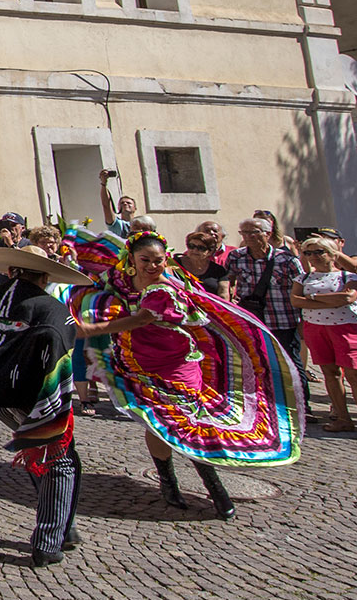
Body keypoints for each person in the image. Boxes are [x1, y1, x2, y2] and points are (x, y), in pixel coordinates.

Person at [69, 231, 304, 521]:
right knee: (156, 423)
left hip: (176, 365)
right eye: (146, 260)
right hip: (137, 364)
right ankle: (168, 483)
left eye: (158, 260)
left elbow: (143, 318)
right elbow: (94, 284)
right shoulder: (120, 280)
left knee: (189, 423)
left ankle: (215, 487)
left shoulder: (166, 289)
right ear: (132, 258)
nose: (153, 266)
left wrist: (93, 330)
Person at [0, 245, 124, 565]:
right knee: (59, 461)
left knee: (54, 456)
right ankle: (49, 541)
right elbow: (57, 342)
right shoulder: (49, 308)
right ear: (46, 276)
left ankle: (66, 526)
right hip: (30, 395)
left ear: (11, 271)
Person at [292, 238, 357, 444]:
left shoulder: (348, 276)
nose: (313, 257)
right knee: (330, 373)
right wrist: (329, 299)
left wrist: (313, 298)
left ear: (332, 253)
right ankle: (343, 418)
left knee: (356, 376)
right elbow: (295, 301)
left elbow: (348, 298)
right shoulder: (303, 277)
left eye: (319, 251)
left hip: (345, 327)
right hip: (315, 328)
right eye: (308, 253)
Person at [227, 218, 305, 380]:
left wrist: (303, 321)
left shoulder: (287, 260)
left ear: (268, 234)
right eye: (244, 232)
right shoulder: (236, 257)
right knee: (258, 365)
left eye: (253, 232)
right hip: (252, 321)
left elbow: (301, 290)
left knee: (291, 365)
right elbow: (229, 283)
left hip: (283, 322)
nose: (248, 237)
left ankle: (301, 402)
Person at [176, 233, 231, 298]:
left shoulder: (219, 270)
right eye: (191, 246)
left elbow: (223, 294)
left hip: (210, 306)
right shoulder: (174, 264)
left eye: (201, 248)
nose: (195, 250)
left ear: (210, 251)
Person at [98, 170, 138, 237]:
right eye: (122, 203)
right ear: (118, 208)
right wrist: (103, 184)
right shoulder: (117, 224)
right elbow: (106, 206)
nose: (125, 204)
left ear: (135, 208)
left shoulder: (141, 224)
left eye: (128, 203)